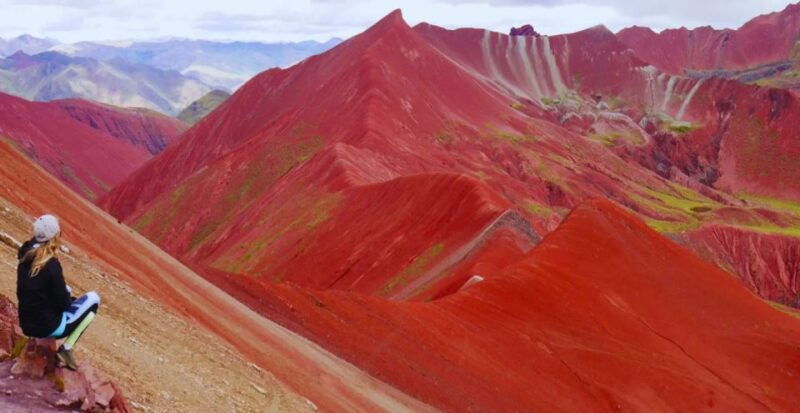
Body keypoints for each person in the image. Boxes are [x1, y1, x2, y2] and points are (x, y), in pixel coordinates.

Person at [16, 214, 100, 371]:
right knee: (94, 299)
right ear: (54, 236)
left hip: (26, 324)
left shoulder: (24, 258)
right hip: (49, 327)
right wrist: (69, 297)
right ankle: (67, 349)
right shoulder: (51, 264)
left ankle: (37, 342)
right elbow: (64, 304)